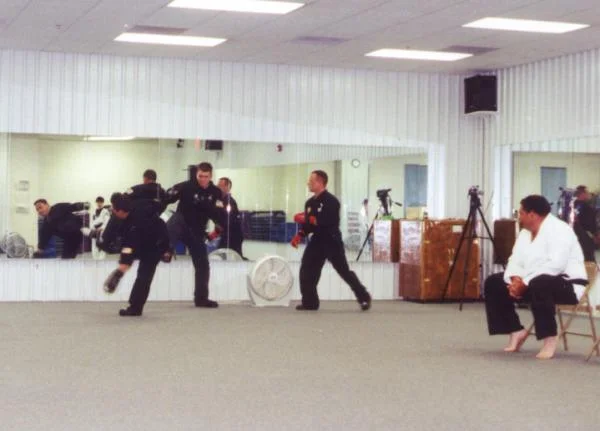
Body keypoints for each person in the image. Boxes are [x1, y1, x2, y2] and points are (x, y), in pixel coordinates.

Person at [484, 195, 587, 359]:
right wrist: (515, 279)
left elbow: (555, 265)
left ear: (532, 214)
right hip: (533, 281)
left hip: (567, 284)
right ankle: (516, 330)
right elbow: (515, 259)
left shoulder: (560, 230)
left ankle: (550, 338)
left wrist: (524, 282)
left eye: (521, 213)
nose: (519, 217)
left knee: (541, 283)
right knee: (494, 283)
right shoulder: (525, 233)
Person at [290, 170, 372, 311]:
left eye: (311, 180)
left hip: (331, 240)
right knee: (307, 270)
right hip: (317, 241)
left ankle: (364, 296)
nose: (308, 183)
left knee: (343, 271)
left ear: (320, 182)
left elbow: (329, 220)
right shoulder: (309, 203)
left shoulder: (332, 201)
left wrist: (311, 219)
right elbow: (309, 226)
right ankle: (310, 302)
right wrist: (300, 234)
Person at [164, 162, 225, 308]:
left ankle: (201, 299)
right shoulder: (186, 186)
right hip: (181, 225)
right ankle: (166, 249)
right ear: (196, 174)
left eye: (206, 176)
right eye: (200, 176)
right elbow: (167, 198)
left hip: (196, 231)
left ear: (211, 176)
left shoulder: (215, 192)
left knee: (203, 265)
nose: (203, 179)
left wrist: (216, 230)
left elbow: (218, 215)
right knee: (176, 219)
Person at [102, 193, 171, 316]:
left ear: (122, 211)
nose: (113, 211)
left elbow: (129, 250)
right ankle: (136, 307)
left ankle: (135, 308)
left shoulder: (132, 226)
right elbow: (158, 205)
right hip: (147, 239)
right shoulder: (139, 204)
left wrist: (119, 272)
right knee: (143, 276)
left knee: (144, 276)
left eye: (114, 210)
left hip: (155, 244)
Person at [210, 177, 245, 259]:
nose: (217, 187)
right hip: (224, 234)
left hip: (233, 235)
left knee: (236, 256)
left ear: (227, 187)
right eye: (217, 185)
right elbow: (217, 216)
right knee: (221, 255)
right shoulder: (219, 201)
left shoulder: (230, 202)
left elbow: (228, 220)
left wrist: (218, 229)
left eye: (220, 185)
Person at [572, 185, 598, 262]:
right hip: (586, 237)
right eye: (587, 192)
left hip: (576, 236)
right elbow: (590, 224)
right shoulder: (586, 207)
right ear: (582, 193)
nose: (589, 194)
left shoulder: (572, 205)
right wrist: (596, 235)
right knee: (589, 258)